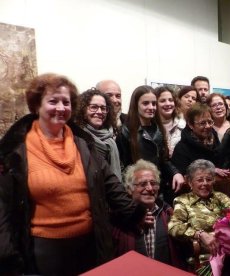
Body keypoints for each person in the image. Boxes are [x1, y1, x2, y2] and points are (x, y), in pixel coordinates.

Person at [0, 73, 145, 275]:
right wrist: (6, 254)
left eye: (66, 102)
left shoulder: (83, 143)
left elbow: (109, 182)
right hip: (43, 252)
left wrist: (135, 213)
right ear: (36, 106)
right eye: (53, 101)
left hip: (90, 246)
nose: (61, 108)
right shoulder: (15, 150)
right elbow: (4, 207)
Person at [116, 85, 185, 204]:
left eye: (153, 103)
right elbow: (122, 168)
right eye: (145, 103)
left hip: (157, 188)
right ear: (136, 105)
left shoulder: (159, 130)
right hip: (135, 192)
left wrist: (175, 172)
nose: (151, 107)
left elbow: (164, 160)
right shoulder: (125, 132)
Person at [112, 159, 182, 267]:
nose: (149, 188)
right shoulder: (118, 220)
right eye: (143, 184)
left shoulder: (169, 215)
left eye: (153, 183)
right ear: (130, 189)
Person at [168, 159, 230, 257]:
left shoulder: (222, 198)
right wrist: (199, 234)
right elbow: (174, 227)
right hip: (204, 258)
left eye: (209, 179)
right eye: (200, 180)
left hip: (229, 252)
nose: (205, 183)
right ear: (190, 182)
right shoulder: (183, 201)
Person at [171, 103, 230, 184]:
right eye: (202, 123)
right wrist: (210, 171)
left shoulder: (216, 142)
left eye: (210, 122)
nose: (208, 126)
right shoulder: (182, 148)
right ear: (191, 125)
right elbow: (184, 177)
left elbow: (224, 165)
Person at [73, 88, 122, 182]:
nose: (99, 112)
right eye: (94, 107)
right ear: (83, 110)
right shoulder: (75, 137)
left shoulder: (111, 139)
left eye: (103, 108)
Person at [155, 86, 186, 158]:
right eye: (162, 101)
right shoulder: (151, 126)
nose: (168, 104)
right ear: (155, 104)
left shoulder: (183, 125)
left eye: (171, 100)